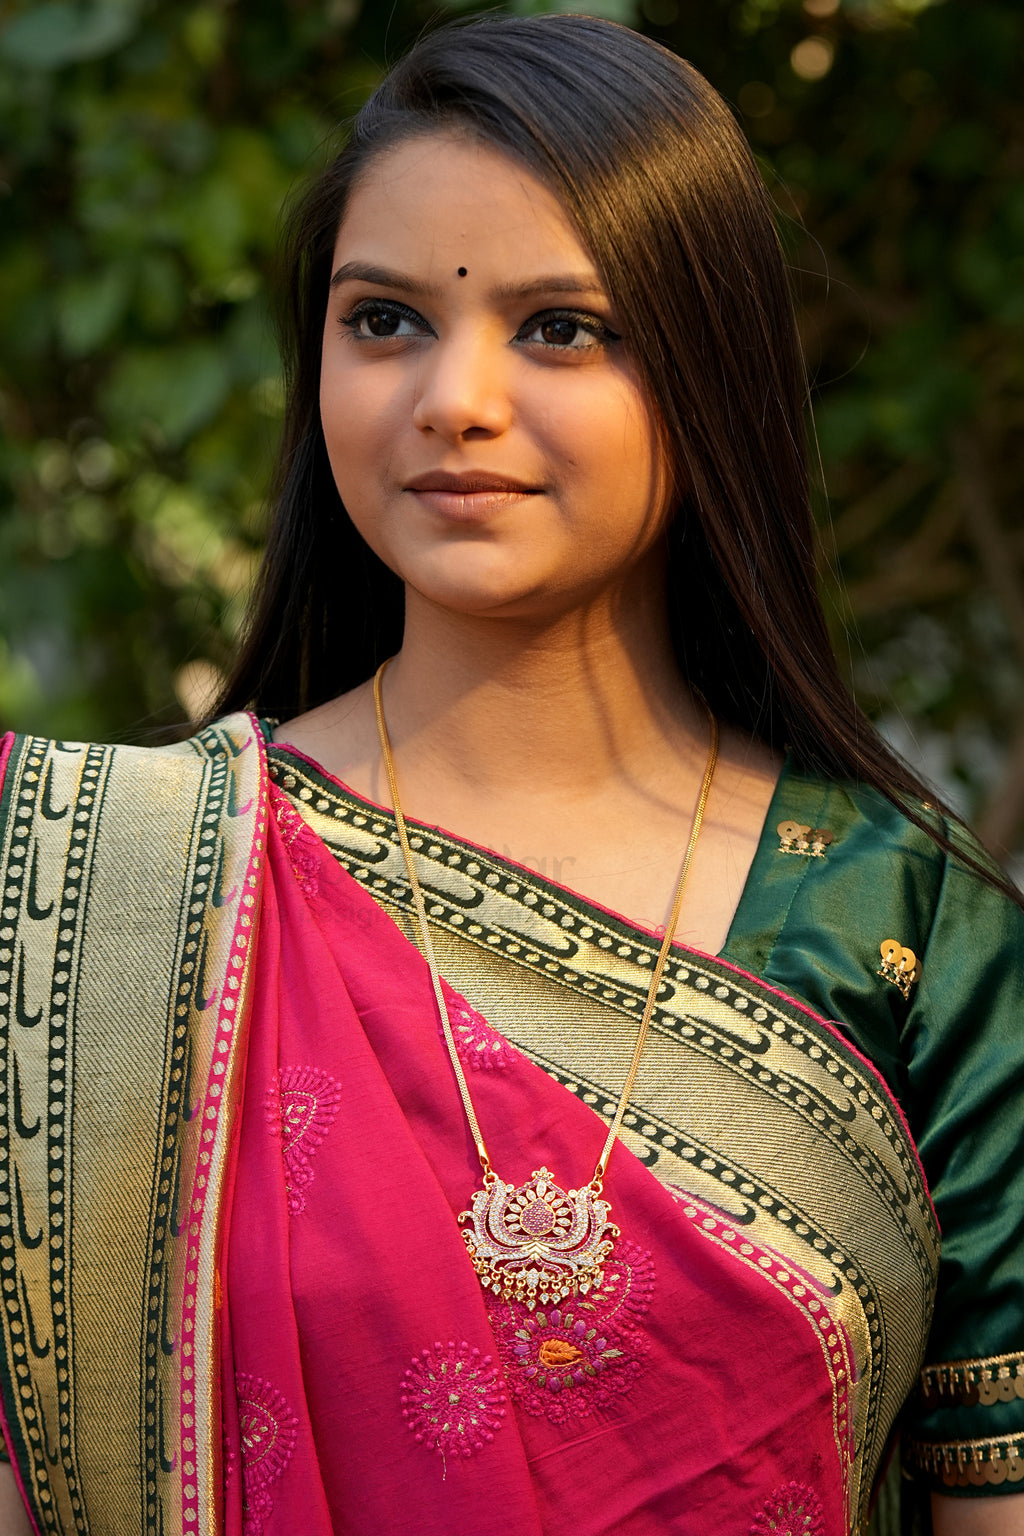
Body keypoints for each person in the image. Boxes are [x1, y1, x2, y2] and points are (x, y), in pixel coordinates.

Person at [0, 13, 1021, 1536]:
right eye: (384, 320)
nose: (453, 398)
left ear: (709, 370)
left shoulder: (908, 919)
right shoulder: (111, 903)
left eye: (561, 328)